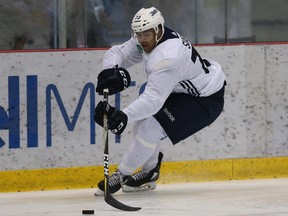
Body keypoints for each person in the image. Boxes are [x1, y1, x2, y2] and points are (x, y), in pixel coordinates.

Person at [94, 7, 226, 195]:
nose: (141, 39)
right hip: (182, 90)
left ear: (158, 30)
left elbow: (152, 101)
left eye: (146, 34)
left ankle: (121, 175)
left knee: (150, 129)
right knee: (141, 125)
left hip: (204, 100)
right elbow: (118, 53)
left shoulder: (168, 56)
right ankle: (150, 173)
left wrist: (122, 115)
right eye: (138, 34)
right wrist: (110, 70)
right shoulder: (147, 38)